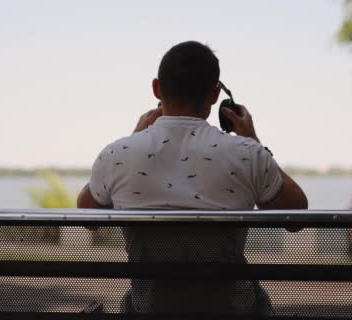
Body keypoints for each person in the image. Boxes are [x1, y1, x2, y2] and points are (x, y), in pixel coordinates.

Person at [77, 41, 308, 315]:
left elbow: (86, 215)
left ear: (157, 89)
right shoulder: (248, 153)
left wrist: (134, 138)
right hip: (231, 310)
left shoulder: (118, 153)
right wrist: (253, 140)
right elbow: (296, 216)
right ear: (214, 96)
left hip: (150, 310)